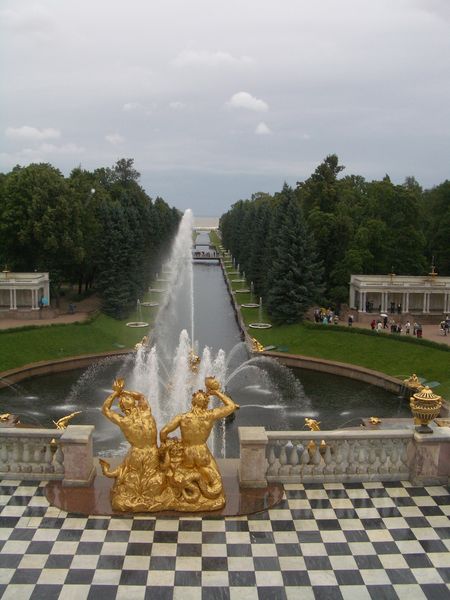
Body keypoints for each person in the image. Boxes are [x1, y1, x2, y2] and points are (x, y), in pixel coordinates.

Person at [160, 378, 239, 508]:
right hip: (202, 454)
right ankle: (203, 491)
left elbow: (163, 432)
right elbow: (231, 406)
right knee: (215, 479)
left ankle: (185, 492)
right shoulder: (210, 415)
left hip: (187, 455)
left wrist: (166, 444)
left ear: (192, 402)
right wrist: (216, 392)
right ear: (206, 404)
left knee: (179, 472)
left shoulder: (182, 417)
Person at [100, 378, 165, 511]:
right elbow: (105, 409)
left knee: (146, 479)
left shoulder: (141, 413)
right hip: (143, 453)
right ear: (126, 406)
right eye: (125, 398)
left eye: (127, 397)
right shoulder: (131, 417)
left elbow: (140, 396)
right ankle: (139, 499)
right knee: (138, 479)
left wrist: (120, 392)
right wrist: (118, 393)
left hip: (148, 452)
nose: (126, 397)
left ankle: (142, 499)